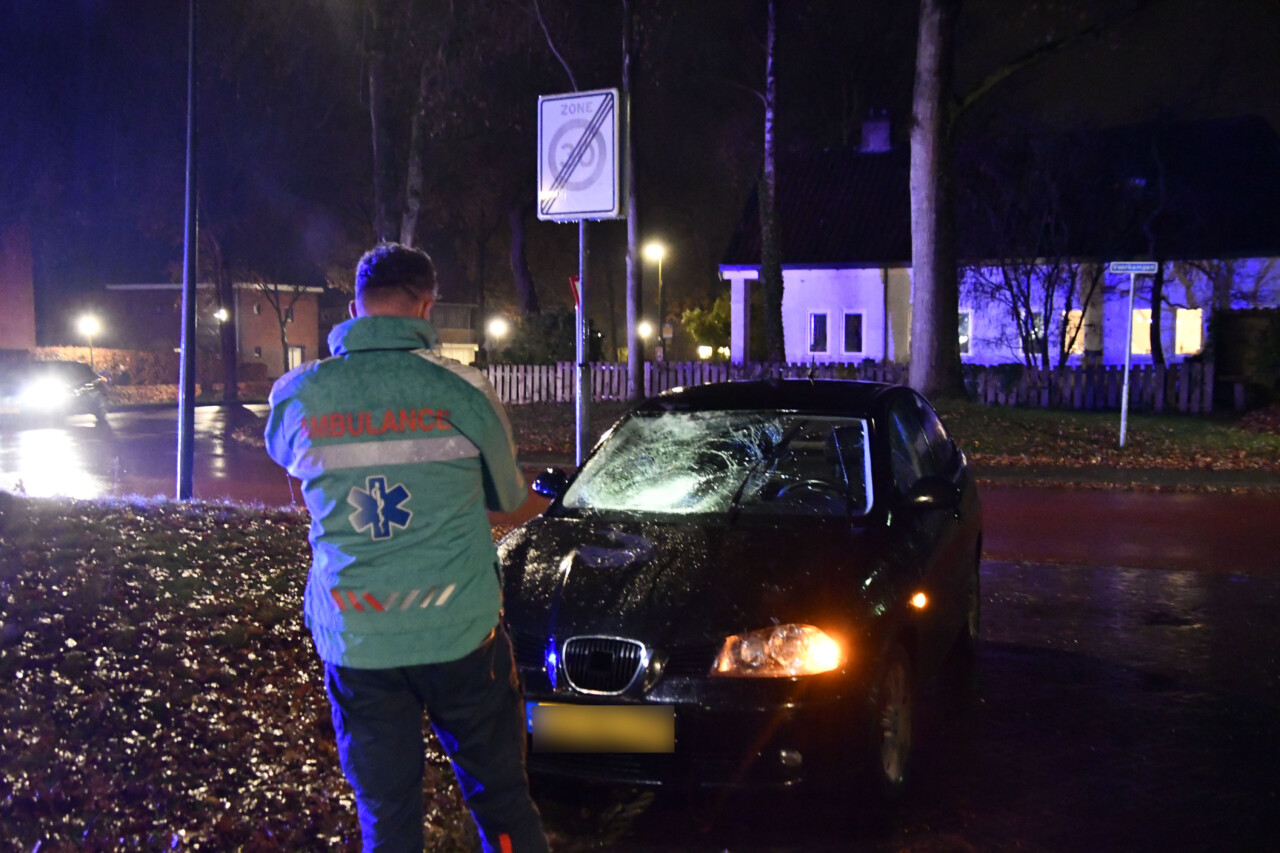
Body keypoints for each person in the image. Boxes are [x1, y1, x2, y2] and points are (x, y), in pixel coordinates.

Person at [264, 243, 548, 852]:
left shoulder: (298, 395)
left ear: (354, 307)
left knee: (387, 814)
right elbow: (507, 494)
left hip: (358, 636)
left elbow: (287, 455)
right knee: (500, 797)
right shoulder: (465, 391)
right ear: (427, 304)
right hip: (460, 634)